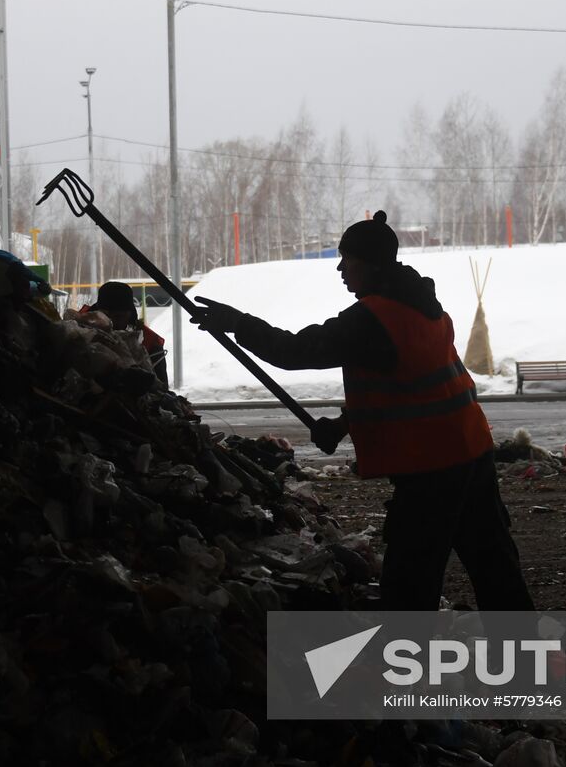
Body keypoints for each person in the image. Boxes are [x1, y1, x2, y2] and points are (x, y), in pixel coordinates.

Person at [190, 211, 533, 613]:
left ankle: (404, 652)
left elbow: (295, 351)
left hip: (431, 468)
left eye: (347, 260)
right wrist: (342, 425)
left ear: (371, 265)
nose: (341, 269)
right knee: (493, 565)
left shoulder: (374, 318)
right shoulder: (421, 303)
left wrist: (237, 323)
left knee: (410, 581)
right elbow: (407, 387)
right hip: (471, 452)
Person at [83, 281, 169, 388]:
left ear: (130, 315)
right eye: (105, 316)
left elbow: (162, 389)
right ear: (96, 313)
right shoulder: (79, 334)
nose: (110, 322)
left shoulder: (149, 342)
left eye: (118, 317)